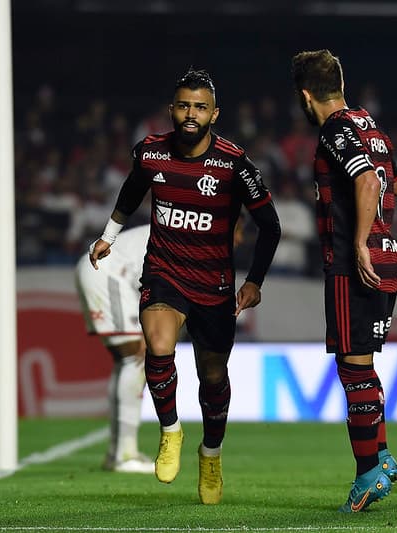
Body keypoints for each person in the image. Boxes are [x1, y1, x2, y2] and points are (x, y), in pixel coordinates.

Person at [89, 68, 281, 505]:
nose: (190, 114)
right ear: (171, 109)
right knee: (157, 347)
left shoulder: (234, 163)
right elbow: (130, 193)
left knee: (213, 378)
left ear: (214, 113)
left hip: (214, 287)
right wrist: (109, 236)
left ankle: (210, 454)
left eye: (199, 107)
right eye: (183, 105)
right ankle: (171, 431)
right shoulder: (152, 153)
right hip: (164, 274)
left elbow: (270, 226)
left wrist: (254, 281)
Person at [291, 49, 397, 513]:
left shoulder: (335, 128)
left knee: (352, 369)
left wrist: (357, 242)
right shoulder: (369, 125)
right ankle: (381, 456)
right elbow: (393, 183)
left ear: (304, 95)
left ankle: (367, 475)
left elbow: (369, 184)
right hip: (389, 254)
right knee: (364, 366)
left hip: (354, 261)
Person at [76, 224, 154, 474]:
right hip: (108, 270)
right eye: (238, 233)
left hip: (106, 270)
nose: (238, 240)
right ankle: (124, 455)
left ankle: (117, 453)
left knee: (128, 361)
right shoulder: (195, 234)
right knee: (136, 358)